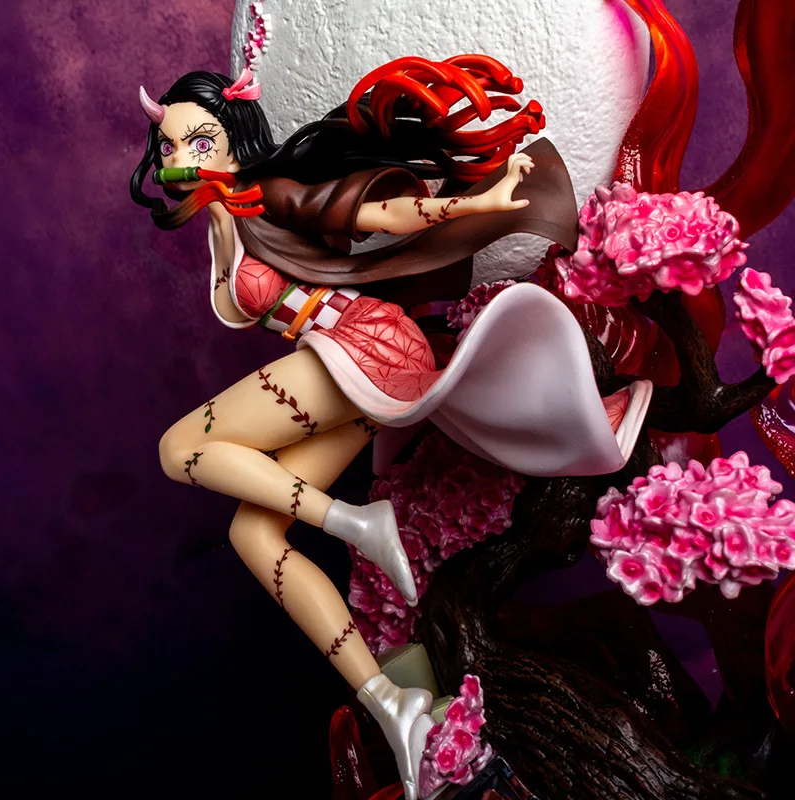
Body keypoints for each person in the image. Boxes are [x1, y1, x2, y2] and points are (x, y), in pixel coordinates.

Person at [130, 64, 651, 799]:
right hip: (347, 366)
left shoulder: (266, 194)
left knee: (179, 447)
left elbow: (373, 214)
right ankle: (389, 704)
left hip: (363, 346)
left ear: (234, 139)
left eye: (201, 140)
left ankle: (356, 522)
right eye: (173, 144)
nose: (185, 156)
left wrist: (480, 202)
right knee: (254, 534)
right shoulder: (223, 217)